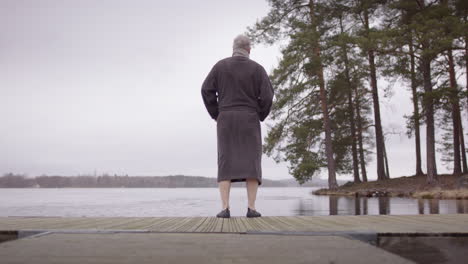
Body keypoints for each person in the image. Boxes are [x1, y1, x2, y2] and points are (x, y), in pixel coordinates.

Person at [201, 34, 274, 218]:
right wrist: (260, 114)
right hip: (249, 118)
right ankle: (251, 208)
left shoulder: (220, 66)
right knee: (252, 162)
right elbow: (267, 96)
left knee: (225, 162)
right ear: (249, 49)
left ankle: (225, 209)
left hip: (226, 119)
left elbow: (206, 90)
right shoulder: (257, 69)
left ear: (233, 48)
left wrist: (216, 113)